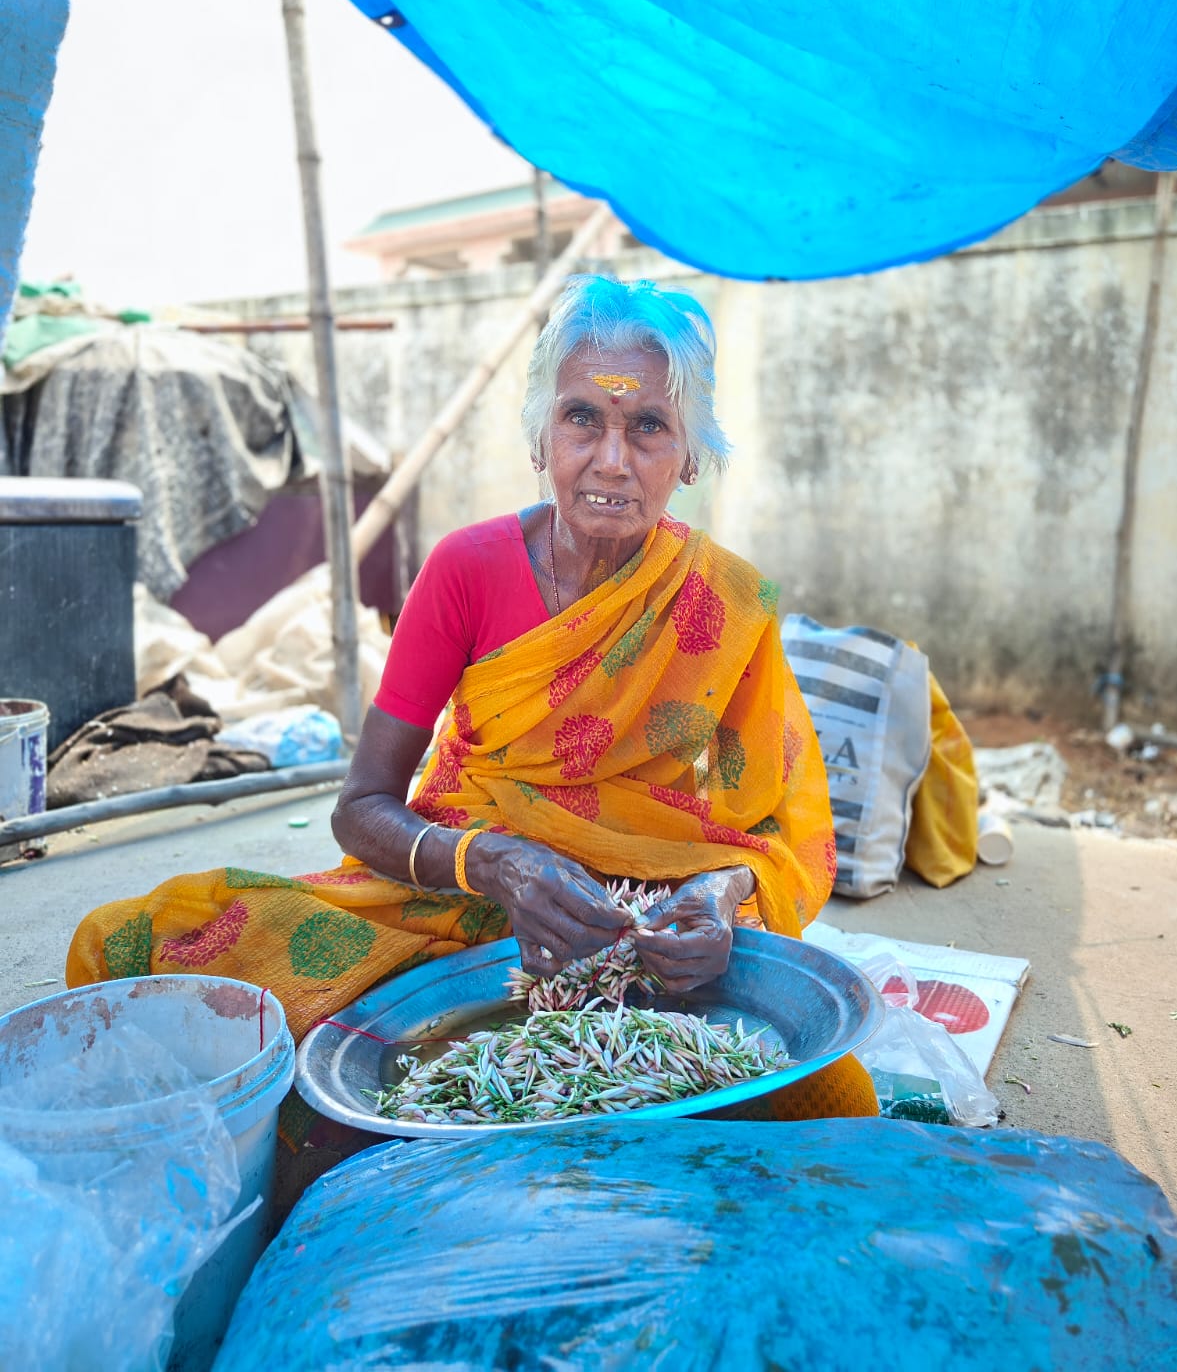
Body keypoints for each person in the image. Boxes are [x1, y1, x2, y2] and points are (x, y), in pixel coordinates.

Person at [68, 275, 875, 1124]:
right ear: (539, 439)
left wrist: (719, 898)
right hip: (462, 896)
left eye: (648, 426)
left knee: (835, 1100)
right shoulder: (467, 570)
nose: (611, 459)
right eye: (581, 418)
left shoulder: (725, 601)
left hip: (636, 927)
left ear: (692, 456)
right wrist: (493, 864)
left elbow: (777, 826)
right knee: (165, 967)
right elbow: (361, 810)